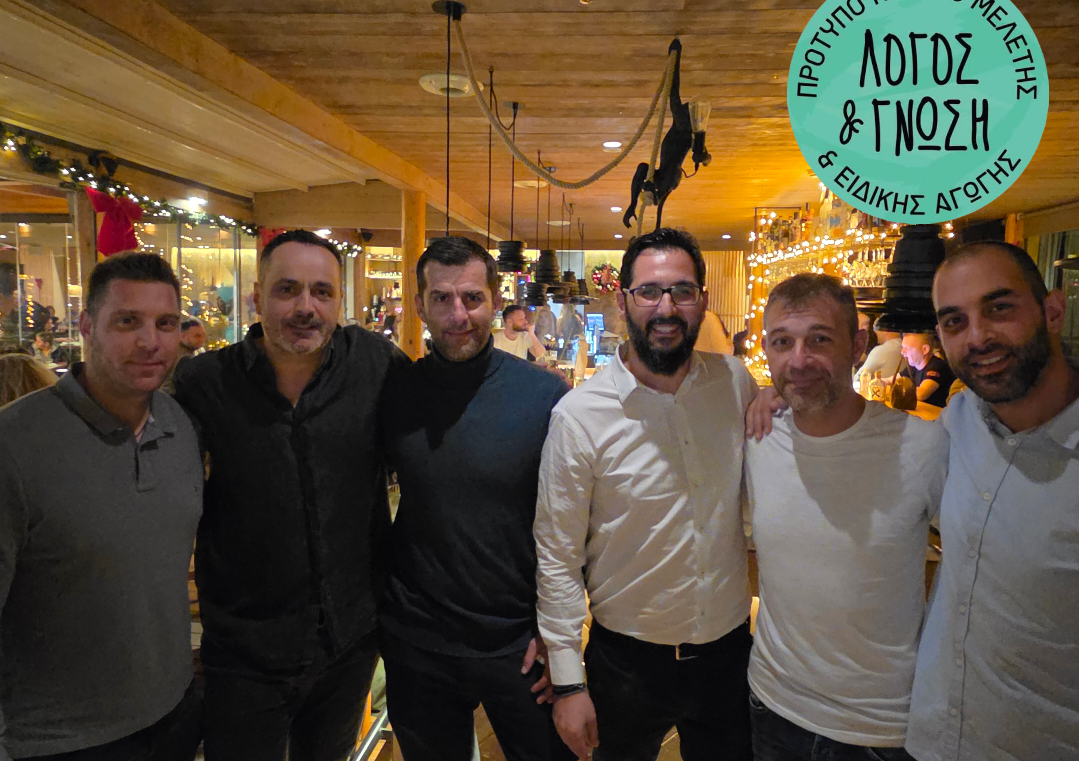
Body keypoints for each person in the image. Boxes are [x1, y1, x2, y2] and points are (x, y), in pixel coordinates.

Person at [173, 230, 408, 761]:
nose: (306, 307)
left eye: (322, 292)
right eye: (288, 289)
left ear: (339, 301)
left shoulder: (375, 365)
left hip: (349, 642)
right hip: (245, 650)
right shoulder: (204, 382)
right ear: (258, 297)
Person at [536, 228, 757, 761]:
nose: (667, 307)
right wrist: (568, 682)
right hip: (626, 666)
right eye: (649, 291)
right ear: (623, 302)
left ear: (702, 300)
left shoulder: (735, 383)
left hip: (729, 658)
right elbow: (558, 555)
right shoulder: (579, 417)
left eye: (683, 291)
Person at [0, 252, 202, 761]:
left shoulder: (179, 425)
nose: (150, 341)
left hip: (173, 713)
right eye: (128, 321)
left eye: (166, 323)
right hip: (56, 739)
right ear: (87, 326)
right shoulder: (15, 444)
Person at [379, 237, 573, 761]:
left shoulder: (544, 396)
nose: (458, 315)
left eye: (472, 298)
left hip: (520, 641)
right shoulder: (394, 392)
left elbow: (575, 526)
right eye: (441, 299)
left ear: (495, 300)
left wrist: (559, 635)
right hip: (417, 641)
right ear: (420, 305)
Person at [745, 273, 946, 761]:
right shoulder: (757, 436)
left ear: (857, 346)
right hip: (771, 704)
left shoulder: (922, 445)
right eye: (782, 342)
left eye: (819, 339)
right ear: (766, 350)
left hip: (878, 725)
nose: (799, 360)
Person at [906, 241, 1079, 761]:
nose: (978, 336)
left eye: (999, 308)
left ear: (1053, 311)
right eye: (954, 322)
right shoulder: (958, 422)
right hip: (931, 740)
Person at [899, 333, 954, 407]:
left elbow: (921, 394)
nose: (902, 352)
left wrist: (896, 390)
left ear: (925, 349)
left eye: (908, 348)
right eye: (903, 347)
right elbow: (891, 380)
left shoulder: (937, 366)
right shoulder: (914, 366)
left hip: (939, 413)